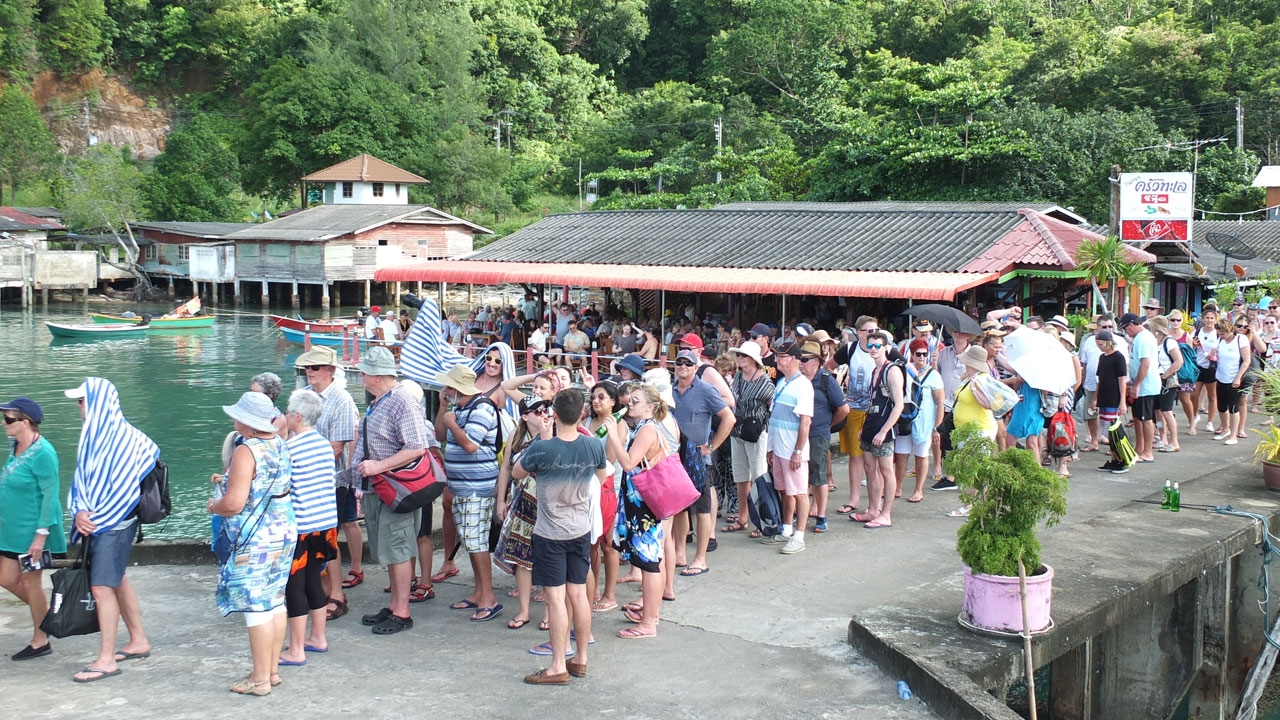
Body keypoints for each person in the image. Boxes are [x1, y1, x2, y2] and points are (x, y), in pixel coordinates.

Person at [64, 377, 157, 684]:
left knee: (102, 587)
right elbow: (83, 481)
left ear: (98, 403)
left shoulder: (122, 438)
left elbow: (125, 491)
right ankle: (138, 639)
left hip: (115, 523)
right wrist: (79, 511)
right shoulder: (94, 435)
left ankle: (105, 660)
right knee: (115, 580)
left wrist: (93, 518)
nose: (78, 405)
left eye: (82, 400)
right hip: (103, 521)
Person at [514, 388, 606, 685]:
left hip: (550, 532)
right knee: (579, 595)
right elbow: (600, 479)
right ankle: (580, 658)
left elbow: (516, 472)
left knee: (555, 600)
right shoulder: (594, 446)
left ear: (553, 413)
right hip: (580, 529)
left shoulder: (543, 449)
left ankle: (557, 665)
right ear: (582, 413)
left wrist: (542, 438)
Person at [209, 392, 296, 696]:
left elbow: (234, 503)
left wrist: (213, 504)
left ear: (246, 422)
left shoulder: (247, 451)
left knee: (255, 605)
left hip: (256, 536)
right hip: (283, 529)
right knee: (275, 599)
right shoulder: (280, 444)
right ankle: (270, 671)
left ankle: (259, 679)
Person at [353, 347, 432, 635]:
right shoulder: (383, 400)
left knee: (397, 548)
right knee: (389, 547)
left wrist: (377, 466)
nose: (360, 375)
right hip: (381, 487)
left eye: (364, 371)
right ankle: (395, 604)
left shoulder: (402, 401)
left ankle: (402, 611)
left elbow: (416, 447)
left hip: (395, 487)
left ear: (377, 375)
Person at [293, 346, 362, 622]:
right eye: (308, 368)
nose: (310, 372)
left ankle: (337, 594)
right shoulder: (307, 396)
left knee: (328, 537)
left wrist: (301, 459)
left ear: (330, 370)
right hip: (314, 480)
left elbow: (336, 448)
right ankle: (323, 590)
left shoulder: (342, 400)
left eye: (316, 367)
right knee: (320, 536)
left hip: (332, 481)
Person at [603, 383, 677, 639]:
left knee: (649, 562)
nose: (629, 405)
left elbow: (627, 462)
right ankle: (650, 614)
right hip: (639, 503)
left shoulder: (647, 429)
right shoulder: (645, 428)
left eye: (635, 402)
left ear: (650, 406)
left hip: (644, 505)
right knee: (648, 560)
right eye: (629, 401)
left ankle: (649, 623)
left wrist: (613, 435)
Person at [0, 397, 67, 661]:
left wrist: (41, 536)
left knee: (31, 583)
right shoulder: (16, 445)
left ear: (25, 422)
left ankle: (41, 641)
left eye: (8, 419)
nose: (4, 423)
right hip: (11, 529)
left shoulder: (43, 453)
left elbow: (50, 496)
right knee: (5, 578)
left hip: (32, 532)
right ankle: (50, 615)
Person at [435, 364, 503, 622]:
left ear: (456, 388)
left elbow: (471, 445)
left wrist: (451, 422)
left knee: (477, 543)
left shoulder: (483, 408)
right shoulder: (458, 408)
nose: (444, 390)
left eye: (448, 387)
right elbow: (440, 434)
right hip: (461, 486)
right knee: (470, 540)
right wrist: (444, 410)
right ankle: (478, 592)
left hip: (477, 487)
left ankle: (489, 597)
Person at [278, 390, 339, 666]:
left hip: (301, 527)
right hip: (325, 524)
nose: (285, 415)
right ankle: (318, 637)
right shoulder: (324, 445)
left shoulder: (289, 449)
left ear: (297, 416)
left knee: (294, 587)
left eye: (288, 412)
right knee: (314, 580)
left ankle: (295, 649)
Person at [494, 378, 560, 630]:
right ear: (525, 416)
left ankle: (548, 612)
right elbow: (506, 469)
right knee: (521, 560)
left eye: (545, 408)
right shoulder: (516, 433)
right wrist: (501, 500)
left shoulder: (554, 433)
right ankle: (523, 611)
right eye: (537, 411)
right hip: (521, 504)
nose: (543, 413)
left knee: (546, 559)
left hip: (546, 506)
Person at [669, 349, 735, 572]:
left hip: (699, 458)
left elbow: (729, 417)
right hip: (675, 458)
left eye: (688, 363)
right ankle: (679, 553)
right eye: (679, 362)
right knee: (678, 508)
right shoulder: (670, 391)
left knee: (703, 509)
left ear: (696, 367)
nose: (683, 367)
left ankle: (700, 559)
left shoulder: (706, 390)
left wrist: (712, 446)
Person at [761, 341, 814, 553]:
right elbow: (775, 418)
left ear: (793, 359)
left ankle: (799, 536)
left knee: (799, 492)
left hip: (793, 450)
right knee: (785, 490)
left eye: (781, 357)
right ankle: (786, 529)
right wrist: (770, 449)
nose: (776, 360)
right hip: (780, 449)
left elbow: (805, 422)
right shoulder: (783, 383)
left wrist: (798, 451)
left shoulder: (803, 385)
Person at [851, 331, 905, 529]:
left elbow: (898, 405)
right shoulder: (875, 370)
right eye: (870, 345)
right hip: (871, 424)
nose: (873, 349)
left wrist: (884, 431)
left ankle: (886, 514)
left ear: (886, 347)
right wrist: (865, 427)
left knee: (886, 470)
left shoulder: (892, 371)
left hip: (884, 427)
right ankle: (873, 509)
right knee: (869, 468)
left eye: (877, 346)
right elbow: (873, 401)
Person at [721, 341, 774, 537]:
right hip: (737, 432)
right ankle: (743, 518)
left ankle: (762, 520)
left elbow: (772, 408)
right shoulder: (738, 377)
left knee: (759, 477)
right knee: (741, 477)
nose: (740, 358)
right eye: (739, 355)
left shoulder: (765, 382)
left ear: (753, 359)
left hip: (757, 433)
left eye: (743, 355)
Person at [798, 341, 847, 531]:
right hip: (799, 433)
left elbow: (844, 409)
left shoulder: (826, 379)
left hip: (818, 433)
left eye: (804, 359)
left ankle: (821, 515)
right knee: (802, 475)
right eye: (799, 359)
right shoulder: (797, 379)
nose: (801, 363)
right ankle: (802, 512)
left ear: (816, 361)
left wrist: (829, 424)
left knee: (819, 475)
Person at [895, 338, 944, 502]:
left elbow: (940, 403)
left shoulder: (934, 375)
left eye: (925, 354)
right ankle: (898, 487)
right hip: (905, 419)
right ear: (912, 355)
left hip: (924, 422)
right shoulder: (904, 371)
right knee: (901, 455)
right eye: (918, 354)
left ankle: (918, 490)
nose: (922, 358)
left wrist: (937, 427)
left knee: (921, 455)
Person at [1119, 312, 1159, 463]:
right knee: (1137, 417)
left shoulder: (1143, 338)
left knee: (1145, 418)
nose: (1125, 332)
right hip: (1141, 383)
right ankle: (1139, 448)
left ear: (1131, 325)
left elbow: (1145, 363)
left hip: (1146, 385)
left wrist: (1137, 385)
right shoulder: (1139, 338)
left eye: (1125, 329)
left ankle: (1148, 451)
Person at [1090, 330, 1130, 473]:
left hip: (1114, 397)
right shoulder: (1102, 357)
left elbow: (1122, 380)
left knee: (1113, 430)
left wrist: (1122, 401)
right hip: (1104, 397)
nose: (1099, 347)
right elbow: (1100, 380)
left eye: (1100, 344)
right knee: (1106, 428)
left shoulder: (1118, 357)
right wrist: (1095, 398)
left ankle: (1120, 459)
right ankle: (1114, 459)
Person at [1214, 317, 1251, 445]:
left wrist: (1238, 377)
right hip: (1221, 377)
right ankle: (1225, 429)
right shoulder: (1220, 340)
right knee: (1221, 406)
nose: (1221, 336)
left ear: (1230, 331)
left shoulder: (1241, 339)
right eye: (1219, 334)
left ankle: (1233, 436)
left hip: (1234, 378)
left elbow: (1247, 361)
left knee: (1234, 407)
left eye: (1223, 334)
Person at [1193, 305, 1221, 435]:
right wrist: (1193, 345)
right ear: (1203, 319)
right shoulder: (1197, 332)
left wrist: (1214, 354)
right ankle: (1194, 415)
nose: (1209, 320)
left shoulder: (1218, 334)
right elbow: (1191, 348)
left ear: (1215, 320)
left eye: (1212, 318)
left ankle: (1210, 421)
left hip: (1212, 367)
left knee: (1212, 396)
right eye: (1207, 318)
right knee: (1194, 395)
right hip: (1198, 366)